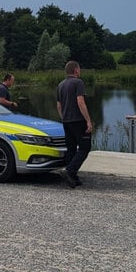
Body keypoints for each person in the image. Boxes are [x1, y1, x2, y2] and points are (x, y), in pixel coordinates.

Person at [56, 60, 94, 188]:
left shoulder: (60, 85)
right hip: (78, 120)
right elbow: (80, 102)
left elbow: (59, 105)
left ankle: (72, 176)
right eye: (79, 68)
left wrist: (64, 118)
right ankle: (70, 170)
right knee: (85, 147)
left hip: (66, 121)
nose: (80, 71)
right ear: (76, 70)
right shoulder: (78, 83)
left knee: (71, 148)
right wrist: (88, 120)